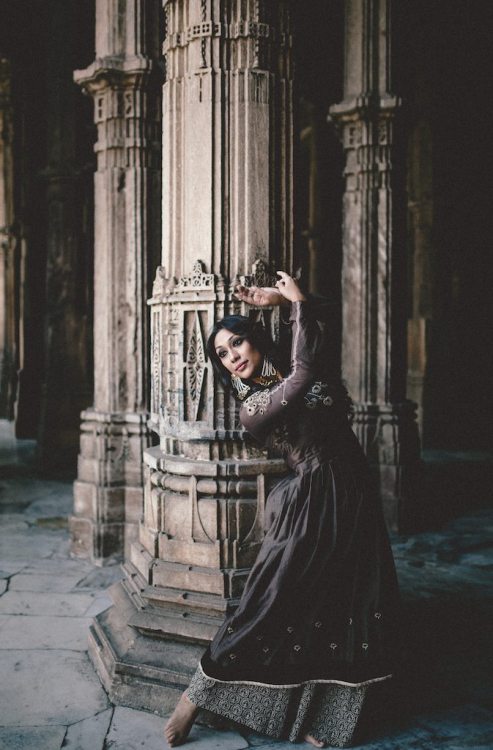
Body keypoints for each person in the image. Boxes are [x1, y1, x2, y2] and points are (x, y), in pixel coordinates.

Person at [164, 271, 399, 748]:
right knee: (271, 599)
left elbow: (327, 326)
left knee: (348, 598)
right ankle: (196, 695)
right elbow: (306, 373)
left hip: (352, 489)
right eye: (223, 355)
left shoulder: (289, 362)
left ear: (254, 341)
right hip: (311, 497)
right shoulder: (255, 405)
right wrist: (293, 304)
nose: (233, 358)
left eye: (237, 345)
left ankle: (325, 717)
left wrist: (285, 301)